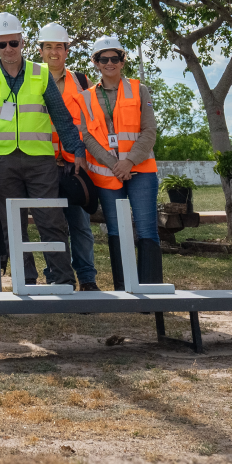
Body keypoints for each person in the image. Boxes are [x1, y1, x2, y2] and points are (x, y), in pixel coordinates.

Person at [0, 12, 88, 289]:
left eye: (13, 43)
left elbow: (61, 117)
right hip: (1, 163)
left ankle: (62, 280)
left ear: (22, 42)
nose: (8, 49)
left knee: (51, 219)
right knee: (13, 225)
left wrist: (77, 150)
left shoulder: (41, 74)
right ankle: (25, 282)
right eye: (2, 45)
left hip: (40, 162)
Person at [80, 36, 165, 290]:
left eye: (114, 58)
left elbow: (149, 131)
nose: (109, 63)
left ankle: (151, 290)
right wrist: (114, 163)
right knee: (116, 231)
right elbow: (86, 136)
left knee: (147, 230)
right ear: (95, 63)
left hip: (141, 171)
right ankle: (123, 289)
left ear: (122, 61)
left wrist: (128, 162)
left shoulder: (140, 90)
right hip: (108, 174)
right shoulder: (86, 97)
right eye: (103, 59)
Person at [39, 22, 102, 291]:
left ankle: (87, 278)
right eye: (49, 47)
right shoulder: (32, 79)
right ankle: (56, 275)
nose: (54, 52)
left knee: (80, 226)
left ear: (67, 50)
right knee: (51, 226)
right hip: (43, 164)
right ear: (40, 51)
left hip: (75, 164)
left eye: (59, 47)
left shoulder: (82, 81)